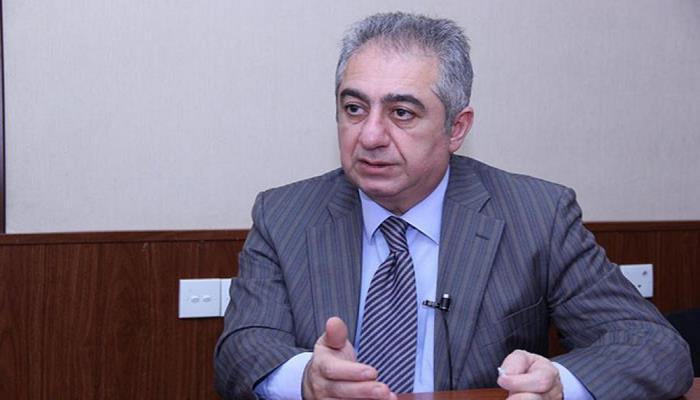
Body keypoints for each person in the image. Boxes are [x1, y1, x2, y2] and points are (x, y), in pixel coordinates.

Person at [214, 12, 693, 400]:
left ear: (456, 128)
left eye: (402, 113)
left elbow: (655, 348)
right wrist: (306, 379)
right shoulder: (285, 215)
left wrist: (558, 385)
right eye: (354, 108)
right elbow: (241, 350)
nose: (371, 135)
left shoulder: (537, 215)